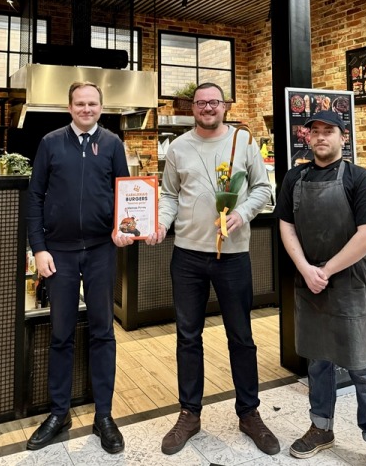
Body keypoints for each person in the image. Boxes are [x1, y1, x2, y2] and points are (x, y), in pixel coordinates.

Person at [146, 82, 280, 456]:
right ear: (193, 108)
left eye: (214, 102)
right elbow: (170, 195)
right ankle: (189, 413)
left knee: (241, 336)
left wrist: (241, 212)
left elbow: (261, 189)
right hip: (187, 256)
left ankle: (249, 412)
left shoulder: (243, 142)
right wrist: (161, 224)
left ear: (224, 106)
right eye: (201, 102)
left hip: (233, 255)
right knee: (188, 337)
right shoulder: (178, 148)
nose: (207, 108)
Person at [274, 110, 366, 466]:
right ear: (306, 138)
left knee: (362, 363)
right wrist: (306, 269)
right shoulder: (295, 177)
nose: (321, 137)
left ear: (343, 137)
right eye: (315, 132)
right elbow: (286, 225)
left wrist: (325, 269)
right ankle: (321, 428)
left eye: (329, 131)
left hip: (350, 279)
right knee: (318, 359)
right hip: (309, 279)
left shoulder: (360, 178)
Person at [26, 81, 132, 453]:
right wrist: (39, 249)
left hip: (102, 250)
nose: (86, 109)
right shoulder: (50, 143)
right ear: (69, 107)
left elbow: (126, 192)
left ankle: (104, 415)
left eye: (92, 104)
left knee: (103, 331)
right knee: (61, 333)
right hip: (60, 253)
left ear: (101, 107)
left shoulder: (114, 144)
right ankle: (60, 413)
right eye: (80, 103)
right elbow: (35, 197)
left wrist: (125, 229)